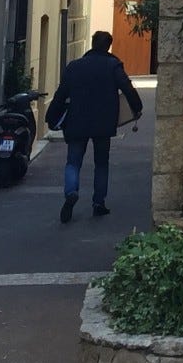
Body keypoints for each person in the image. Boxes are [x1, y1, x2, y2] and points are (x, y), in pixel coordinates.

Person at [46, 30, 143, 222]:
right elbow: (127, 88)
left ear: (92, 43)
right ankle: (98, 202)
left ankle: (71, 191)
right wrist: (137, 108)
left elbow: (61, 94)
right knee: (101, 162)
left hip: (76, 120)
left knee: (73, 162)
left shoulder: (75, 66)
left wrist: (51, 117)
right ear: (108, 45)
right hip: (103, 122)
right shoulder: (113, 65)